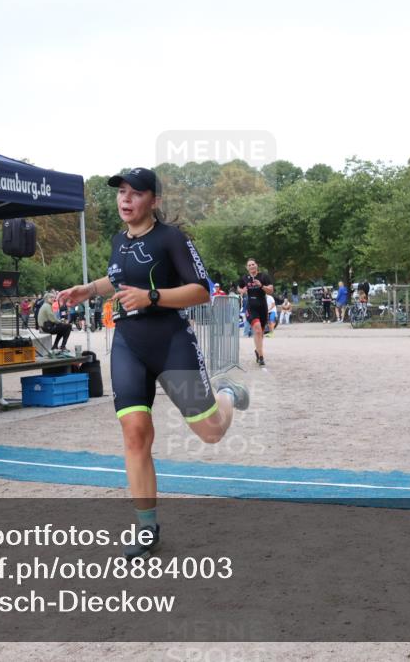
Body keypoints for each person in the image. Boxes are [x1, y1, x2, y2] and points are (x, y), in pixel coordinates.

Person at [58, 166, 248, 561]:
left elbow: (202, 291)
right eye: (121, 193)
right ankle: (147, 528)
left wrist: (153, 297)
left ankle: (228, 392)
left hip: (171, 343)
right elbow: (117, 278)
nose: (125, 200)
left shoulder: (171, 239)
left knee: (211, 433)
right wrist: (88, 290)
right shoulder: (117, 241)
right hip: (129, 344)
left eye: (135, 193)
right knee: (135, 433)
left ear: (154, 201)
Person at [239, 258, 274, 365]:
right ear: (247, 267)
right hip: (251, 307)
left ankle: (258, 350)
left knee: (261, 333)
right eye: (249, 265)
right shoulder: (244, 278)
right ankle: (261, 356)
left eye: (253, 264)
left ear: (256, 265)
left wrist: (261, 286)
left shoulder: (264, 276)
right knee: (257, 330)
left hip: (262, 307)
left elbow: (271, 290)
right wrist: (242, 291)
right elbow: (239, 288)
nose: (251, 266)